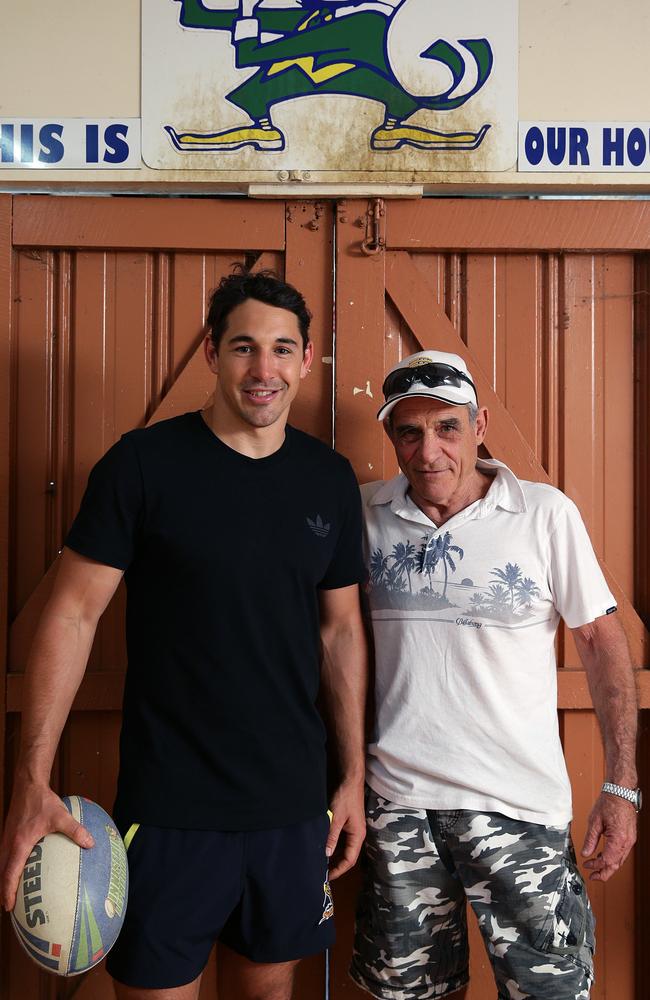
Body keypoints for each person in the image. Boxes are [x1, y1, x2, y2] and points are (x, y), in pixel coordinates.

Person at [0, 270, 368, 1000]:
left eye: (281, 349)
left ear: (306, 357)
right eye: (243, 347)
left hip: (293, 810)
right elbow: (71, 616)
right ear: (211, 352)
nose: (263, 370)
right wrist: (30, 779)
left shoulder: (328, 479)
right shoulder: (142, 466)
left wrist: (353, 776)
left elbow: (341, 633)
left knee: (270, 991)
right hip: (170, 811)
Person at [350, 350, 639, 1000]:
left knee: (551, 992)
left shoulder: (544, 514)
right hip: (400, 809)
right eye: (409, 431)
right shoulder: (362, 513)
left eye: (447, 427)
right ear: (392, 435)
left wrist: (622, 785)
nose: (429, 453)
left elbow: (601, 641)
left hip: (520, 808)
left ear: (479, 424)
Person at [165, 0, 492, 154]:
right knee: (266, 82)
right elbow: (200, 17)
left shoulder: (360, 23)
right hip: (356, 76)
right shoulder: (328, 17)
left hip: (408, 85)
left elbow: (250, 55)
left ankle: (392, 127)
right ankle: (262, 128)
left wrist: (248, 11)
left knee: (269, 76)